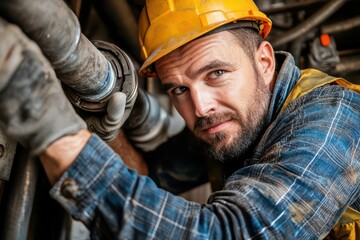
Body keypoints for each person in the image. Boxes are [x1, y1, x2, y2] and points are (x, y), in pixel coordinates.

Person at [1, 0, 360, 239]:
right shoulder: (226, 123)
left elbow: (231, 233)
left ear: (264, 62)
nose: (200, 107)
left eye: (216, 73)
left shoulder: (335, 120)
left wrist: (54, 131)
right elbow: (148, 177)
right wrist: (109, 134)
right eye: (177, 89)